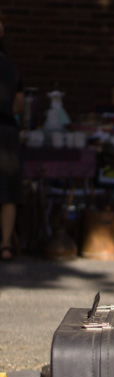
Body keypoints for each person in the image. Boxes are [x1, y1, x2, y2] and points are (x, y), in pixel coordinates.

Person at [0, 19, 23, 261]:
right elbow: (18, 105)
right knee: (6, 190)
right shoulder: (11, 68)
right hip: (6, 130)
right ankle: (5, 244)